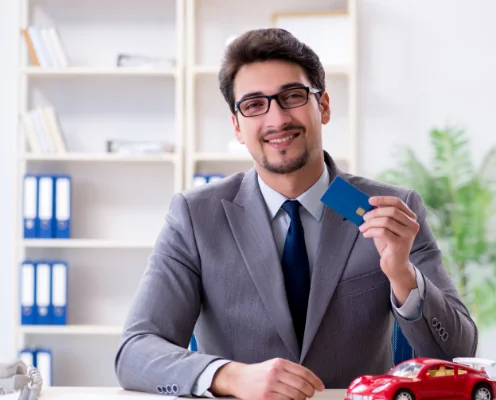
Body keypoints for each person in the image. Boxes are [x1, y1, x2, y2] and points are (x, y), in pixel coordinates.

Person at [114, 28, 477, 399]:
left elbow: (456, 354)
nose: (276, 119)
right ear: (238, 126)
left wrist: (402, 275)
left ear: (323, 107)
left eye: (292, 96)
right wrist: (231, 377)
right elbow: (135, 352)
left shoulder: (390, 209)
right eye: (254, 104)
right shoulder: (195, 216)